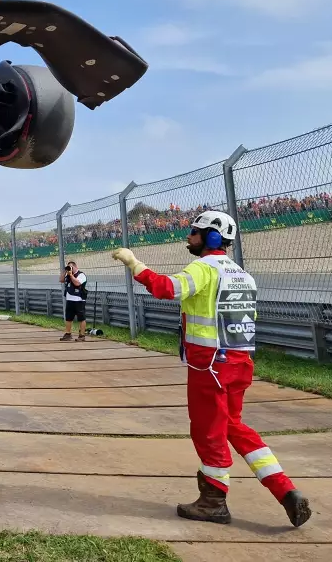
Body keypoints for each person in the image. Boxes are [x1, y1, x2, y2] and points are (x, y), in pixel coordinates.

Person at [112, 210, 311, 528]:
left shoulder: (204, 268)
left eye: (194, 231)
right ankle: (285, 490)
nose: (188, 237)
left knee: (208, 431)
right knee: (234, 426)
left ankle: (213, 501)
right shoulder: (242, 274)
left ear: (212, 237)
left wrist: (134, 263)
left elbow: (166, 288)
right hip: (240, 363)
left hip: (210, 365)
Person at [58, 260, 89, 341]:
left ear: (75, 267)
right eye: (69, 267)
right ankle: (68, 334)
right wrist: (65, 271)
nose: (70, 268)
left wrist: (71, 275)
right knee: (68, 318)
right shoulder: (68, 275)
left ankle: (82, 336)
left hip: (79, 300)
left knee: (81, 318)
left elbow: (77, 283)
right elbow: (61, 280)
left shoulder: (81, 275)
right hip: (70, 299)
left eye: (71, 267)